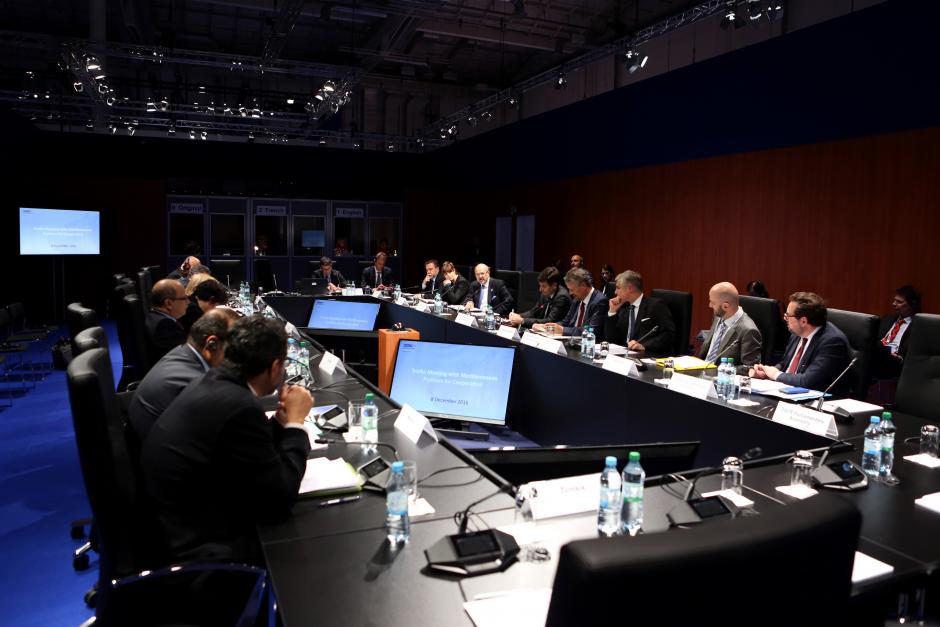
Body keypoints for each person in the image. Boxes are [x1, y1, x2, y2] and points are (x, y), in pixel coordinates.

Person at [141, 316, 313, 564]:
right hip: (198, 545)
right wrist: (296, 424)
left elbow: (244, 449)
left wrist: (279, 421)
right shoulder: (241, 406)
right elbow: (279, 499)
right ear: (275, 367)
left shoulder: (212, 380)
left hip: (167, 522)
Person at [128, 308, 238, 445]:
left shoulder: (182, 352)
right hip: (157, 451)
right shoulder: (194, 383)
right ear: (212, 344)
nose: (235, 356)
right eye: (233, 348)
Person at [750, 292, 851, 393]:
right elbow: (785, 364)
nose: (784, 318)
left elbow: (807, 381)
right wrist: (766, 372)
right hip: (785, 391)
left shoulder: (832, 342)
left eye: (788, 315)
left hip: (815, 398)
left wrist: (776, 375)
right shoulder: (797, 332)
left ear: (803, 321)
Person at [603, 270, 675, 356]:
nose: (615, 292)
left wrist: (644, 346)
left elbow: (669, 334)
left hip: (647, 356)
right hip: (624, 356)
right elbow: (611, 339)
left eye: (618, 288)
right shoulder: (623, 308)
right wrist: (612, 312)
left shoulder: (655, 306)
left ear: (630, 288)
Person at [699, 282, 762, 372]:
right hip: (701, 368)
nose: (710, 305)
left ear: (725, 306)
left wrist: (720, 369)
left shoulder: (748, 330)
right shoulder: (719, 315)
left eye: (713, 303)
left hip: (721, 376)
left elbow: (750, 368)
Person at [533, 268, 607, 339]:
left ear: (583, 285)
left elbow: (591, 331)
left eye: (572, 289)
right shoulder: (577, 299)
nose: (570, 293)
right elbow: (566, 322)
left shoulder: (599, 301)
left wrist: (562, 330)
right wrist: (547, 327)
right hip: (572, 340)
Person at [874, 285, 921, 378]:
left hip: (896, 363)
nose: (893, 304)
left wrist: (900, 358)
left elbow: (915, 355)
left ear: (912, 304)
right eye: (894, 300)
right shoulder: (887, 319)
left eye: (899, 302)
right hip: (879, 355)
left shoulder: (917, 327)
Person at [146, 279, 189, 363]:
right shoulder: (163, 326)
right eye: (184, 298)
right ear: (168, 303)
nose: (188, 302)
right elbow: (185, 356)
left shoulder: (156, 317)